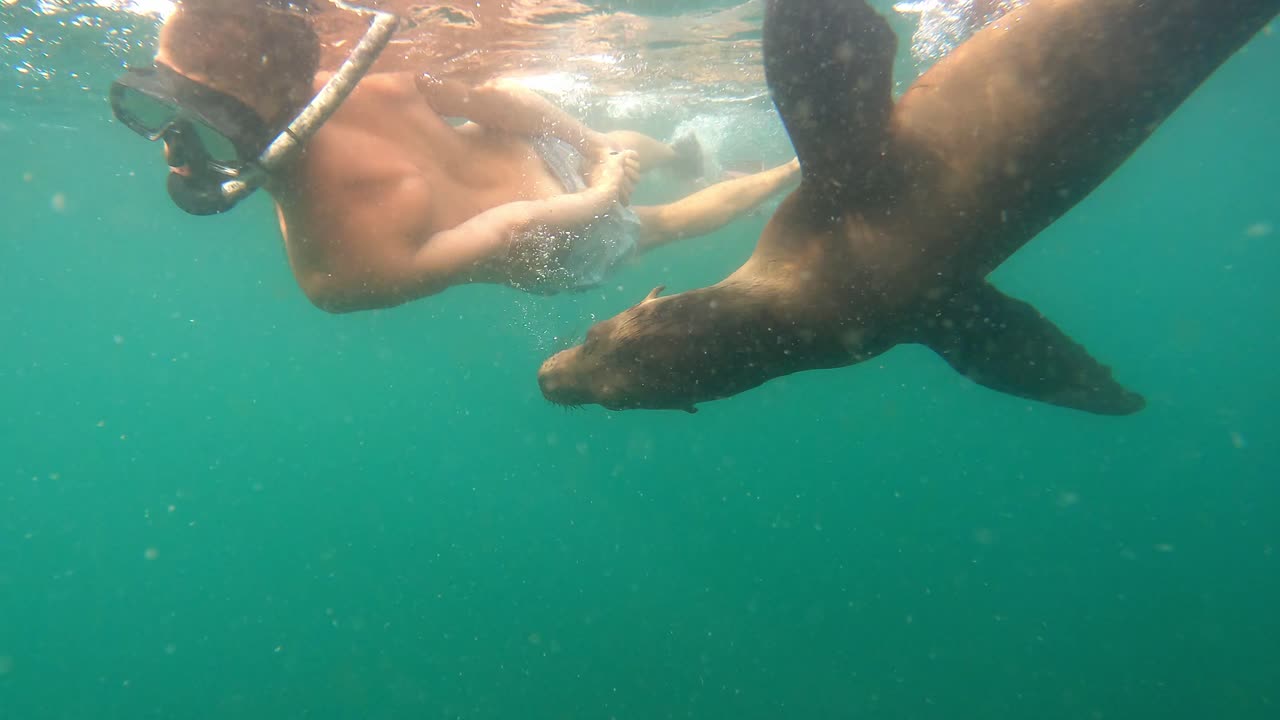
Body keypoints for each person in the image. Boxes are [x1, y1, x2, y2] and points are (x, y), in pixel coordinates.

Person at [110, 0, 800, 312]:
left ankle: (779, 170)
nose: (176, 148)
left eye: (198, 121)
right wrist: (595, 158)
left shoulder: (332, 271)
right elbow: (492, 98)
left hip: (565, 235)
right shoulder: (355, 78)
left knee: (664, 224)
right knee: (621, 152)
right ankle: (720, 162)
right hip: (549, 178)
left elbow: (506, 229)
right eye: (158, 108)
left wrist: (596, 188)